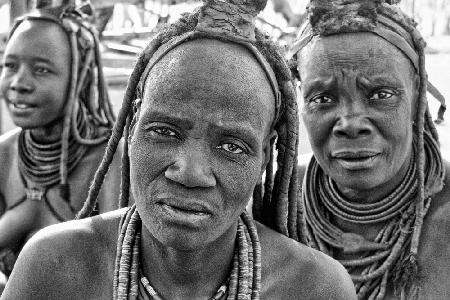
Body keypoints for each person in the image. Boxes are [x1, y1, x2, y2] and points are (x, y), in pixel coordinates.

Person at [1, 0, 356, 299]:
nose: (189, 172)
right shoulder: (52, 268)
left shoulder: (314, 287)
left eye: (232, 146)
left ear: (265, 154)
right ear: (132, 125)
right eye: (164, 131)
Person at [287, 0, 450, 299]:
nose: (350, 124)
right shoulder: (274, 206)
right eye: (323, 98)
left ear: (418, 93)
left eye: (380, 94)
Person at [0, 0, 121, 286]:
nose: (19, 82)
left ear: (79, 79)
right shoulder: (4, 155)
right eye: (9, 65)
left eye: (41, 70)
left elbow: (116, 274)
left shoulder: (111, 162)